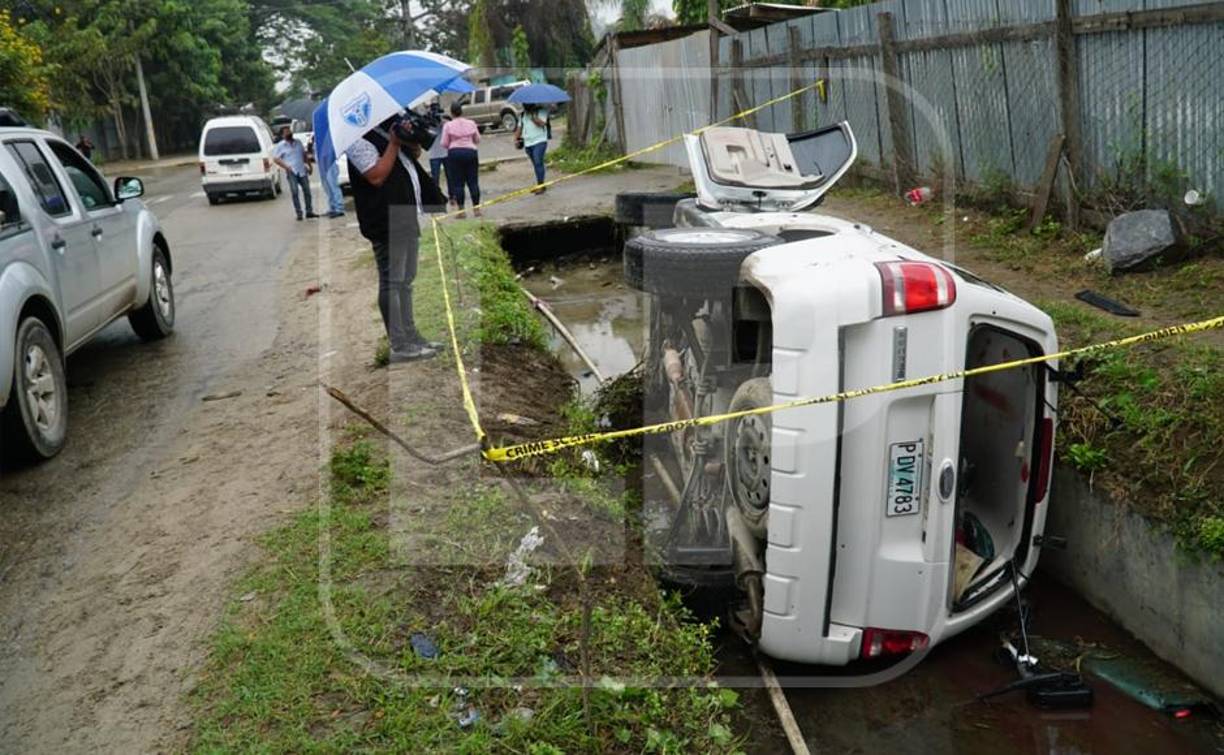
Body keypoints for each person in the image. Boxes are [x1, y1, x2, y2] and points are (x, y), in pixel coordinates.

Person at [345, 113, 448, 362]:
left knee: (406, 280)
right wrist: (393, 142)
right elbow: (376, 175)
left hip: (405, 213)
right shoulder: (355, 140)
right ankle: (400, 346)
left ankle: (412, 337)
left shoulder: (385, 127)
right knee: (392, 281)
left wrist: (410, 138)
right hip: (384, 219)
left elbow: (413, 157)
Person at [440, 102, 481, 218]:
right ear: (461, 111)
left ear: (452, 113)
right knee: (473, 182)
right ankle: (476, 209)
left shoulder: (448, 125)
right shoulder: (471, 123)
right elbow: (477, 139)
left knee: (458, 184)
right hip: (471, 152)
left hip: (455, 153)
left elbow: (444, 143)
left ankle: (461, 211)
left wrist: (454, 143)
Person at [272, 126, 317, 220]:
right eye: (286, 132)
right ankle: (299, 213)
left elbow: (304, 155)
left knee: (307, 191)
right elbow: (276, 159)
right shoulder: (281, 146)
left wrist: (310, 166)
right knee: (295, 192)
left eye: (289, 131)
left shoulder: (298, 142)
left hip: (302, 170)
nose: (289, 133)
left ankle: (309, 211)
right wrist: (286, 167)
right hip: (291, 171)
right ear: (283, 135)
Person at [312, 134, 345, 218]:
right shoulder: (316, 139)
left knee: (333, 185)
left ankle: (339, 208)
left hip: (330, 163)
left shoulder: (329, 137)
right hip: (322, 164)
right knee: (327, 186)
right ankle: (332, 207)